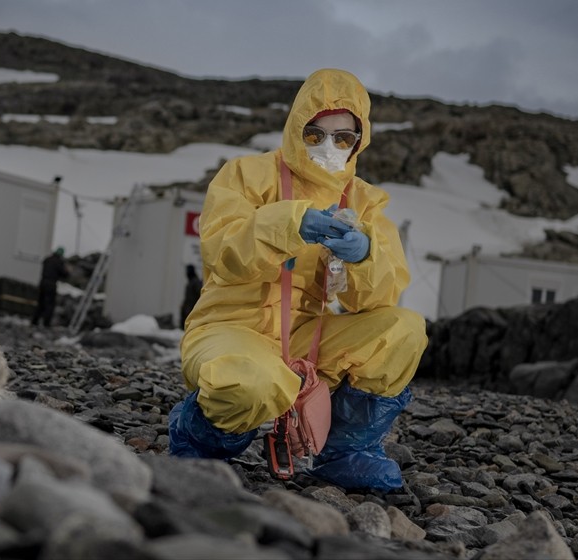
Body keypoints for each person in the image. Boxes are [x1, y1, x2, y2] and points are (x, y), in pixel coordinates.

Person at [168, 68, 427, 492]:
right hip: (230, 326)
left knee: (403, 330)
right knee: (251, 385)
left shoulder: (363, 201)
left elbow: (380, 297)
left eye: (344, 137)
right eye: (315, 133)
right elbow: (223, 253)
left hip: (308, 334)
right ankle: (198, 439)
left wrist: (365, 256)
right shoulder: (246, 176)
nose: (330, 146)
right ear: (295, 129)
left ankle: (345, 452)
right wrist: (290, 224)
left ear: (360, 141)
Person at [31, 247, 69, 327]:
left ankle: (34, 321)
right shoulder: (59, 262)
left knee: (41, 303)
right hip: (51, 284)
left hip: (43, 282)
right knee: (49, 304)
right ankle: (46, 323)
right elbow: (64, 274)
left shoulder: (47, 260)